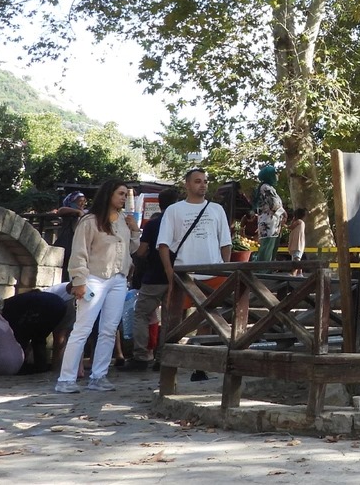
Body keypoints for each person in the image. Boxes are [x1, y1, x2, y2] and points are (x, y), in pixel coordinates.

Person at [55, 179, 140, 394]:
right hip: (94, 277)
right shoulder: (90, 221)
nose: (123, 198)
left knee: (109, 329)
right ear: (109, 194)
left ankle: (99, 375)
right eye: (120, 193)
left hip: (118, 279)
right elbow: (79, 252)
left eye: (124, 194)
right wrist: (79, 280)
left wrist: (135, 230)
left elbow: (131, 249)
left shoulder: (123, 220)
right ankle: (66, 378)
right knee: (82, 328)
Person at [157, 168, 231, 381]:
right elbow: (163, 244)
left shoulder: (217, 209)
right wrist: (169, 272)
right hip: (184, 272)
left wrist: (225, 267)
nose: (203, 185)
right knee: (175, 318)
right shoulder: (174, 210)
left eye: (205, 181)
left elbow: (225, 241)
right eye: (198, 181)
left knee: (207, 318)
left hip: (212, 272)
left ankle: (200, 364)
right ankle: (170, 359)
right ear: (187, 184)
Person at [121, 187, 180, 371]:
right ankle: (164, 357)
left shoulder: (153, 224)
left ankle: (141, 356)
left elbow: (141, 251)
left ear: (159, 204)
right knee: (170, 318)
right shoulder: (181, 224)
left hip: (154, 277)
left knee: (141, 314)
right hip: (178, 276)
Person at [1, 282, 73, 373]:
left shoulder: (9, 308)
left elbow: (19, 331)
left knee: (32, 338)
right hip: (57, 307)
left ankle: (22, 366)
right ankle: (41, 368)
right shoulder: (21, 301)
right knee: (39, 338)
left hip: (53, 307)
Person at [253, 164, 285, 262]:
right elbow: (274, 204)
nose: (277, 175)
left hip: (273, 224)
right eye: (275, 173)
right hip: (268, 224)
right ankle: (263, 273)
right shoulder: (266, 187)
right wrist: (284, 212)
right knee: (267, 250)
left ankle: (267, 271)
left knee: (271, 250)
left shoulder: (270, 188)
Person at [55, 192, 87, 283]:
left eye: (84, 201)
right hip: (67, 240)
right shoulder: (69, 211)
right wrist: (77, 211)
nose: (82, 203)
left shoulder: (86, 212)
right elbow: (61, 210)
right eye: (79, 201)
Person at [286, 207, 306, 275]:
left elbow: (290, 227)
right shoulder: (301, 223)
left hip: (297, 244)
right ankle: (300, 273)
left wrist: (283, 224)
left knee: (296, 259)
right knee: (297, 258)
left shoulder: (299, 222)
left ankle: (293, 273)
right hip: (297, 244)